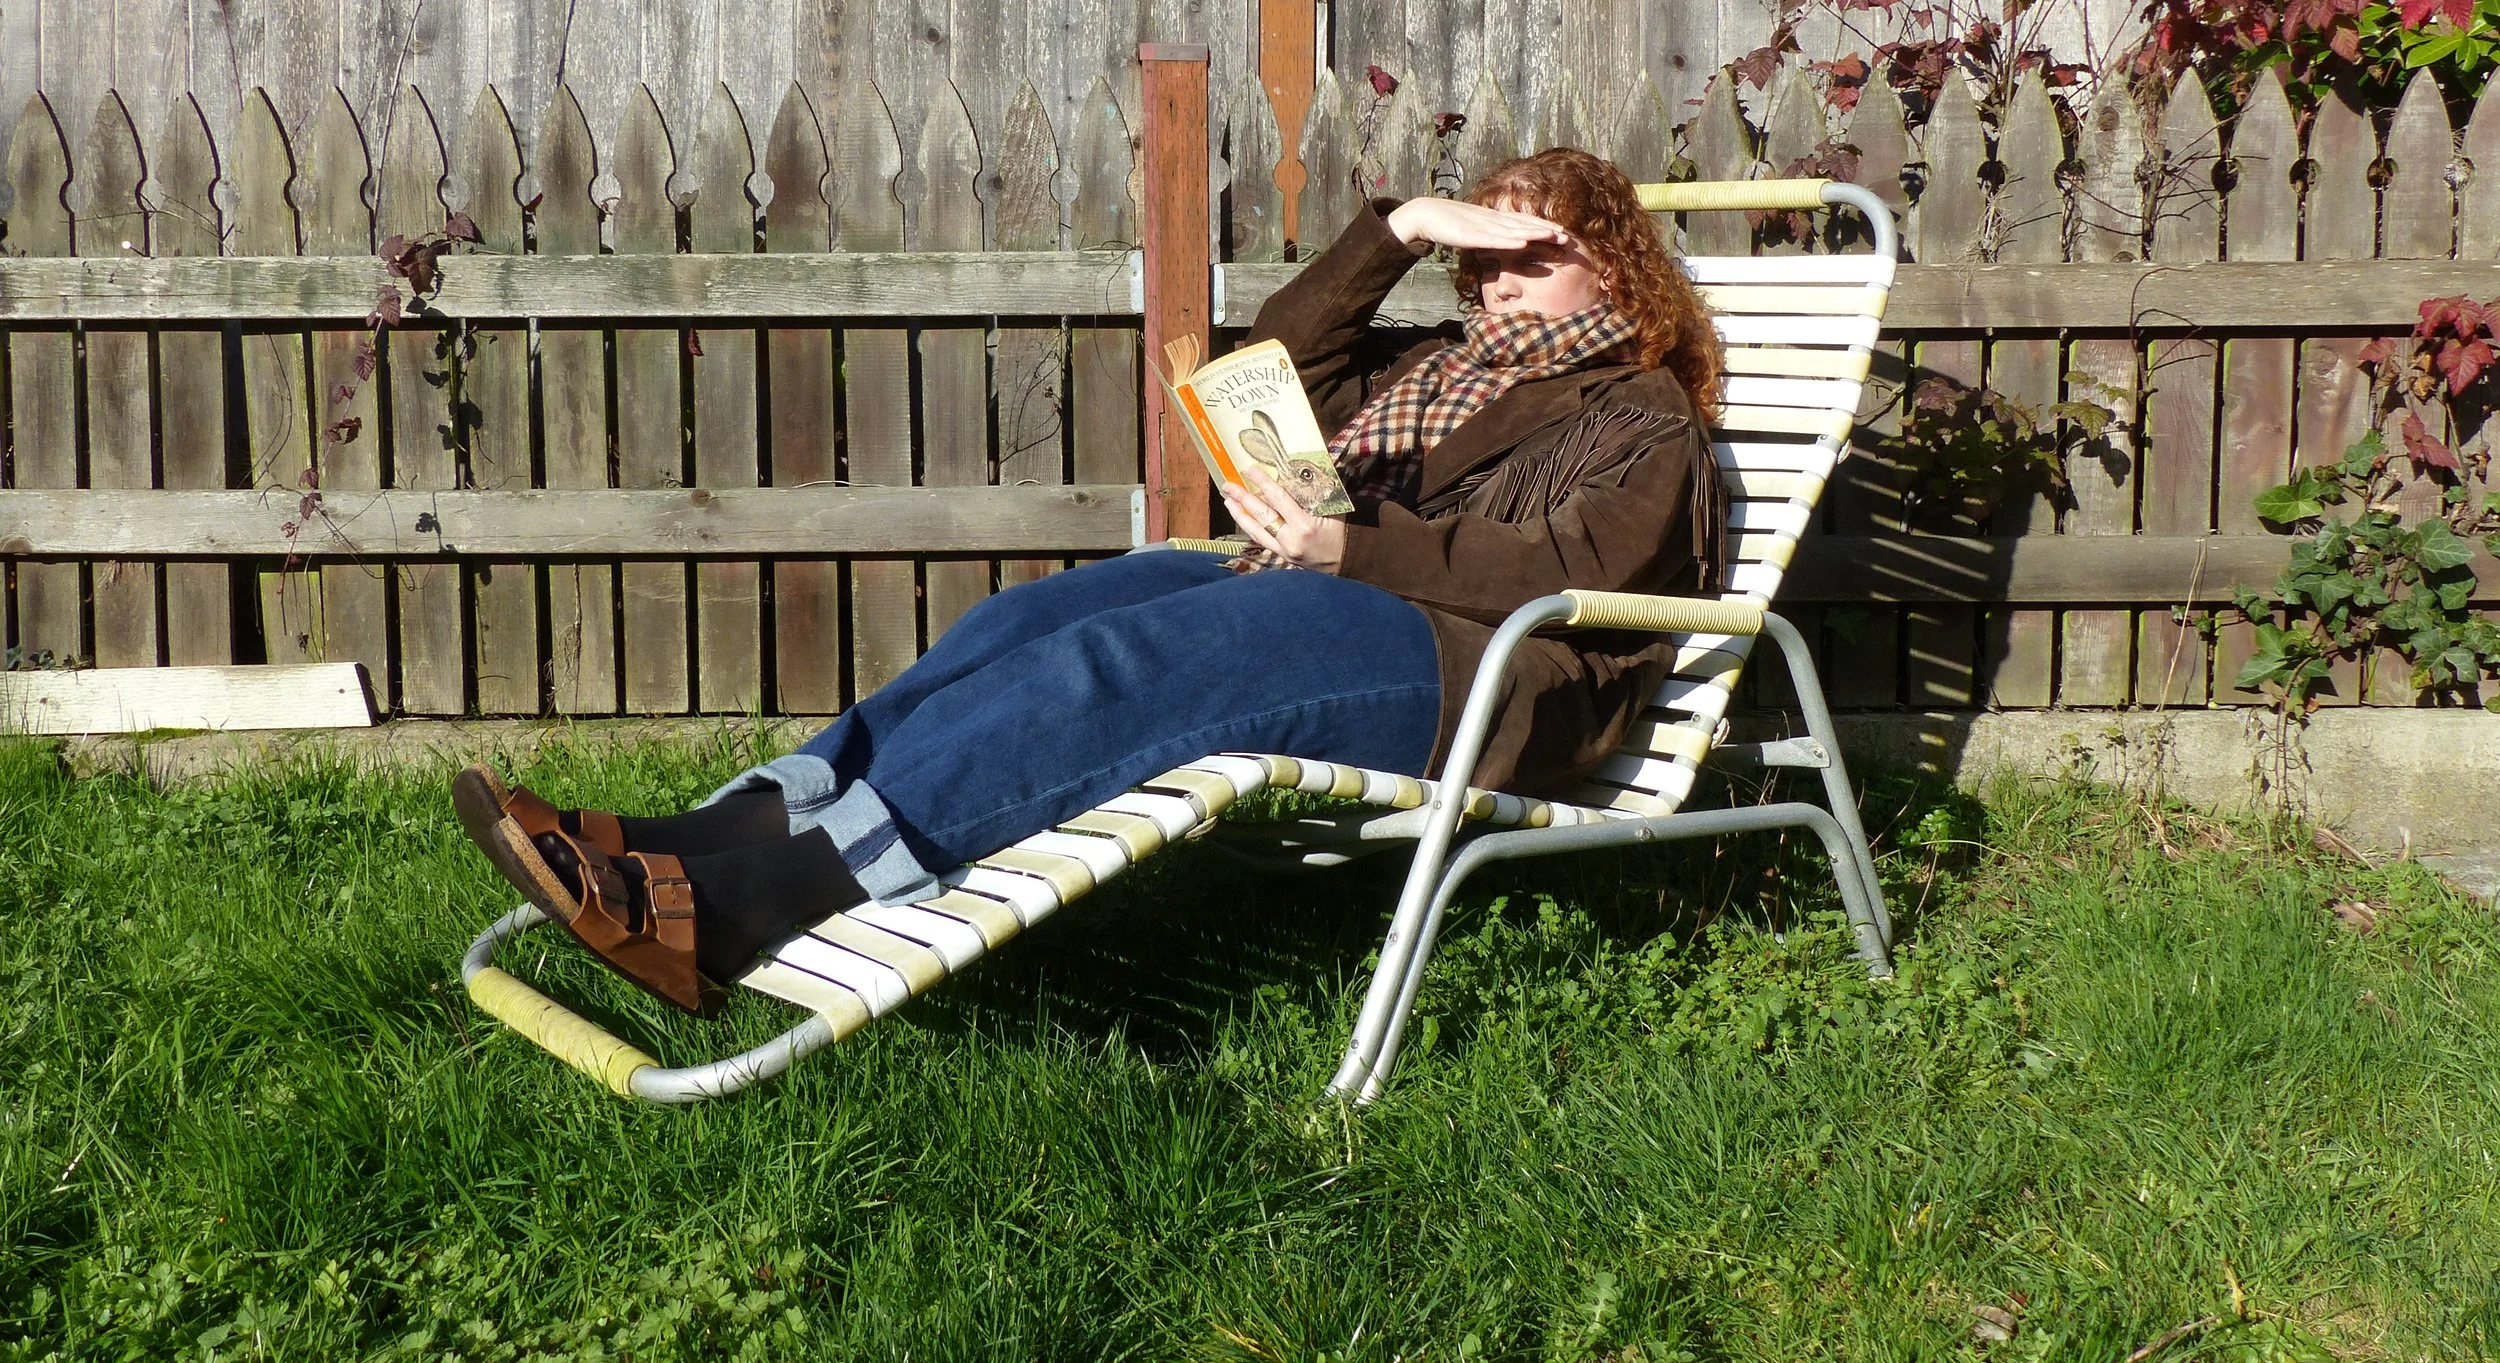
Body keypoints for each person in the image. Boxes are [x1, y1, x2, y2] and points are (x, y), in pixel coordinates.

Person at [454, 147, 1728, 1015]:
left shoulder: (1642, 415)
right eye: (1484, 263)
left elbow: (1578, 569)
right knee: (1033, 618)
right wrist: (1398, 230)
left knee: (1116, 672)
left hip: (1485, 676)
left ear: (1616, 269)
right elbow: (1275, 358)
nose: (1499, 287)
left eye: (1534, 259)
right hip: (1338, 606)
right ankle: (722, 832)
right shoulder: (1436, 364)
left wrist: (1354, 546)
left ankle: (753, 908)